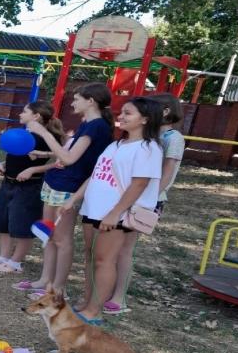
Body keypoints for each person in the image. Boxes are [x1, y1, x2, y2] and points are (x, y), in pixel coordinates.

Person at [60, 97, 163, 325]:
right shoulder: (115, 145)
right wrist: (74, 199)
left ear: (145, 119)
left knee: (104, 261)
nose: (121, 117)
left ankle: (94, 311)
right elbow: (96, 175)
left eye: (128, 113)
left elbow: (139, 184)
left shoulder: (149, 148)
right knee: (90, 257)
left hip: (115, 214)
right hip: (94, 209)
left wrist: (115, 213)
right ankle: (87, 302)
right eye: (122, 112)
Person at [13, 83, 114, 294]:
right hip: (56, 182)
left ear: (91, 101)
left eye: (76, 99)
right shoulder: (87, 124)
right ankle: (45, 280)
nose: (72, 103)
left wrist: (43, 132)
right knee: (49, 234)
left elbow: (69, 159)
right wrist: (44, 154)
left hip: (70, 186)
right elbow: (69, 153)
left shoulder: (97, 126)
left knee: (62, 239)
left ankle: (58, 288)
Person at [103, 93, 185, 314]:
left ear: (165, 111)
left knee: (125, 249)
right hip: (130, 196)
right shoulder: (146, 136)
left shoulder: (173, 138)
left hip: (144, 201)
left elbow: (167, 172)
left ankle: (119, 297)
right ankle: (107, 289)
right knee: (114, 249)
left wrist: (147, 199)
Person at [0, 101, 65, 274]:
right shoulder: (24, 134)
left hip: (29, 187)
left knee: (23, 226)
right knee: (4, 222)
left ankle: (15, 263)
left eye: (24, 111)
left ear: (36, 116)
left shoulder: (46, 138)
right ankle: (3, 258)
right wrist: (2, 164)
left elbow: (60, 162)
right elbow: (16, 156)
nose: (20, 114)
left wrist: (33, 169)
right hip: (8, 183)